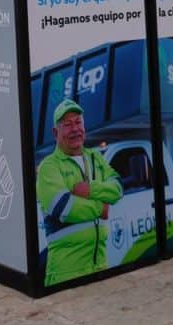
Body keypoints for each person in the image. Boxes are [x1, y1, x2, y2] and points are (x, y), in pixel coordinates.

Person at [36, 100, 123, 287]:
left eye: (78, 122)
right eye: (67, 124)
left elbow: (117, 188)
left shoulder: (95, 157)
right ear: (55, 133)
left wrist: (90, 190)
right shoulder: (48, 167)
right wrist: (101, 207)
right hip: (66, 273)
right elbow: (64, 207)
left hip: (100, 266)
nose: (75, 129)